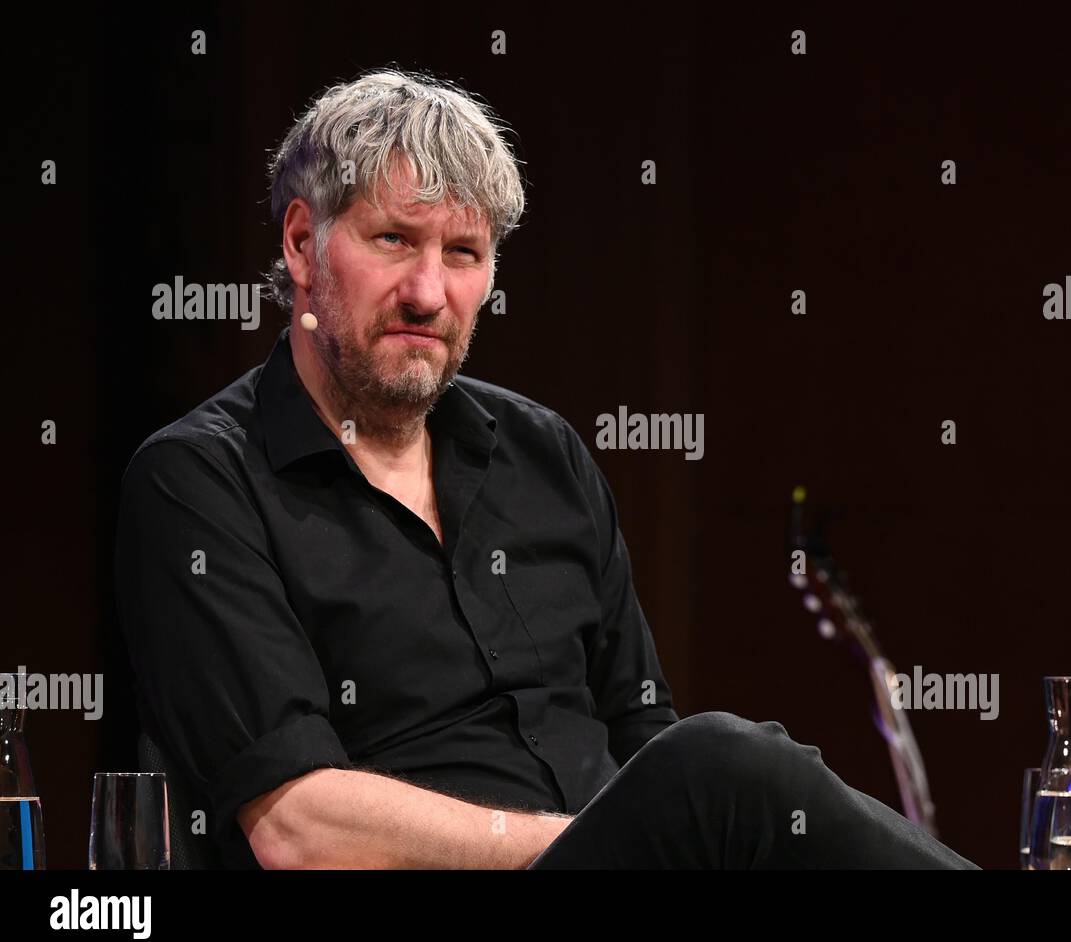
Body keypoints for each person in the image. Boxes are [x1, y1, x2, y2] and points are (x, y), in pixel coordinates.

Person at [114, 69, 978, 870]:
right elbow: (298, 825)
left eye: (462, 253)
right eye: (392, 240)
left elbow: (642, 732)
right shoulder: (198, 483)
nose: (428, 291)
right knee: (726, 765)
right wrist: (605, 840)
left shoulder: (542, 453)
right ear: (303, 244)